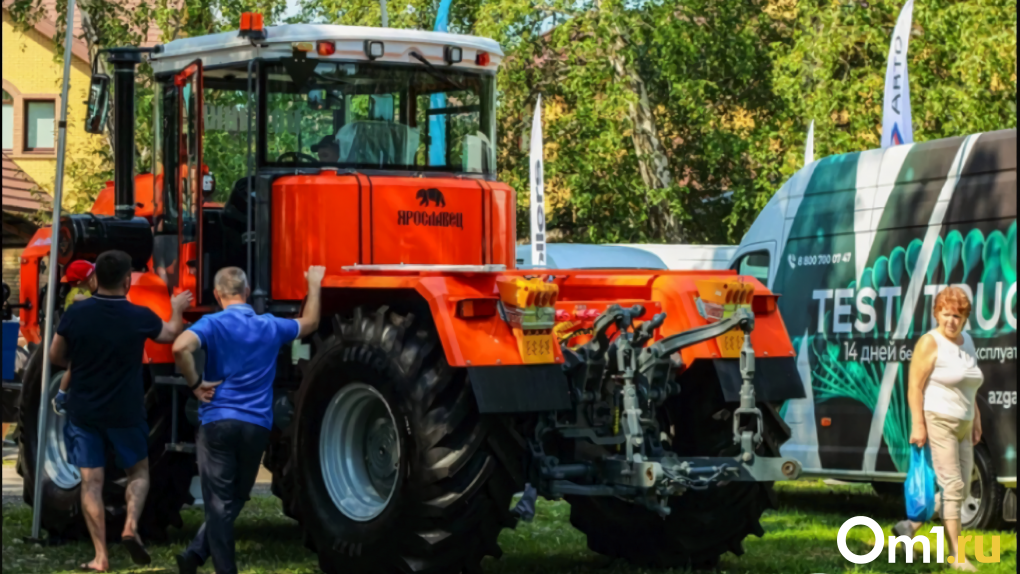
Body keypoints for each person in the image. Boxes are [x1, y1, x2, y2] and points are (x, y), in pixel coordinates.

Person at [173, 265, 324, 574]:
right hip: (256, 426)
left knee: (219, 504)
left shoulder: (212, 323)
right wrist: (315, 285)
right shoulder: (269, 325)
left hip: (218, 421)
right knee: (236, 497)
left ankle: (221, 569)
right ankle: (195, 554)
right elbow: (310, 323)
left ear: (217, 295)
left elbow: (179, 347)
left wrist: (196, 384)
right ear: (246, 292)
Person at [49, 250, 193, 573]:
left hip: (84, 410)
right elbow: (170, 335)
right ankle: (130, 525)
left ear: (95, 278)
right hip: (126, 410)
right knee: (139, 473)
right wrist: (177, 308)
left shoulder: (77, 314)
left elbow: (55, 356)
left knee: (91, 483)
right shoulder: (139, 316)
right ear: (128, 280)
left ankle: (101, 557)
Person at [895, 287, 985, 571]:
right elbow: (914, 387)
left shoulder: (967, 341)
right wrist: (918, 424)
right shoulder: (929, 343)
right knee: (953, 486)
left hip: (964, 421)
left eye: (957, 316)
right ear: (936, 314)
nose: (951, 321)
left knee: (964, 488)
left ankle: (911, 523)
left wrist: (976, 419)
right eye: (946, 314)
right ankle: (957, 557)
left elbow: (969, 384)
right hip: (938, 420)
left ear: (965, 318)